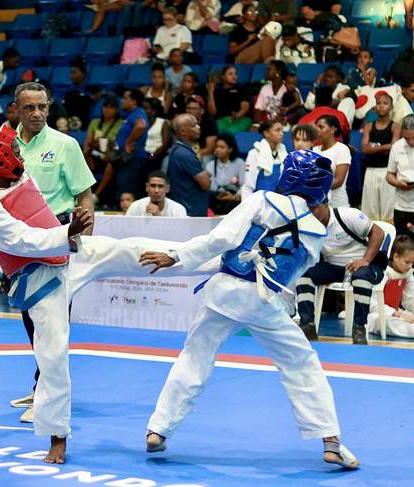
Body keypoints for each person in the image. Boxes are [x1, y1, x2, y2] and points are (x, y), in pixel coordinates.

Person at [140, 150, 360, 470]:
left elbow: (223, 239)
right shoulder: (317, 232)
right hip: (264, 302)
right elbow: (286, 275)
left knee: (195, 358)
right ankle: (330, 441)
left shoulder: (262, 200)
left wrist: (178, 256)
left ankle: (158, 429)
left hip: (223, 294)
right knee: (301, 364)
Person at [0, 124, 93, 464]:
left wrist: (75, 226)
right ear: (0, 161)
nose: (22, 156)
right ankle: (57, 439)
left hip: (69, 254)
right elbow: (25, 240)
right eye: (16, 152)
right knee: (53, 358)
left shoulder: (22, 178)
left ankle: (192, 258)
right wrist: (70, 230)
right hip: (40, 280)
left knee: (131, 251)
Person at [296, 202, 386, 345]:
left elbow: (379, 232)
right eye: (308, 208)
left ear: (325, 205)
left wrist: (365, 260)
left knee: (360, 278)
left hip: (363, 265)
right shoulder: (307, 224)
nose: (310, 212)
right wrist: (320, 272)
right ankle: (307, 325)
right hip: (333, 267)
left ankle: (359, 327)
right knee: (303, 274)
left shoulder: (348, 215)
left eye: (314, 207)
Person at [361, 92, 401, 222]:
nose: (381, 106)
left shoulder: (395, 127)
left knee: (387, 209)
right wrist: (385, 147)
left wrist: (375, 146)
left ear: (391, 107)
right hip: (370, 171)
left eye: (385, 103)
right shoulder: (368, 126)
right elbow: (364, 149)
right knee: (370, 208)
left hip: (388, 171)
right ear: (375, 107)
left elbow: (394, 148)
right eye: (378, 103)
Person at [367, 235, 414, 338]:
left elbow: (409, 301)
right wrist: (395, 313)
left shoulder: (408, 275)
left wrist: (404, 314)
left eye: (412, 263)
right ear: (396, 257)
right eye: (407, 262)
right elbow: (372, 304)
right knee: (386, 322)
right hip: (376, 315)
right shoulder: (382, 273)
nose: (410, 266)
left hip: (397, 314)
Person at [167, 113, 211, 216]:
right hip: (191, 213)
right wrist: (206, 174)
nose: (198, 127)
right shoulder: (185, 154)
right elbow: (206, 185)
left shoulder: (178, 150)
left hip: (187, 210)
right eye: (194, 125)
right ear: (183, 131)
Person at [83, 95, 123, 206]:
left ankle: (96, 195)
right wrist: (87, 155)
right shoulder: (95, 122)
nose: (107, 109)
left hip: (111, 155)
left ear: (116, 110)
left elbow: (117, 144)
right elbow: (88, 142)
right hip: (95, 154)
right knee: (83, 158)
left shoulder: (121, 124)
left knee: (111, 163)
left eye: (111, 107)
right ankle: (82, 194)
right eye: (105, 106)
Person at [114, 89, 149, 200]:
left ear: (134, 101)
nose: (122, 101)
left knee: (127, 191)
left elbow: (141, 126)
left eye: (125, 98)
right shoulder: (132, 114)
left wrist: (129, 142)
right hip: (129, 158)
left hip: (133, 158)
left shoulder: (138, 112)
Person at [241, 120, 287, 200]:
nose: (281, 133)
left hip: (279, 201)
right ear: (266, 133)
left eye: (282, 130)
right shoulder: (254, 153)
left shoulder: (284, 153)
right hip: (260, 202)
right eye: (277, 130)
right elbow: (248, 186)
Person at [313, 115, 351, 208]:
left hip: (338, 205)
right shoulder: (314, 150)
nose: (317, 130)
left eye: (321, 127)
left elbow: (338, 181)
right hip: (318, 206)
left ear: (333, 129)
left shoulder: (342, 149)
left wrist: (313, 189)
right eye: (316, 127)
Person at [386, 114, 414, 237]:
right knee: (403, 243)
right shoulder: (397, 146)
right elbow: (389, 174)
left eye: (413, 137)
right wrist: (398, 183)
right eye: (407, 138)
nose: (411, 142)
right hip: (401, 205)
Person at [206, 133, 245, 214]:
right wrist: (219, 195)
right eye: (216, 147)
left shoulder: (240, 163)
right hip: (217, 196)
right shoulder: (210, 165)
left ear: (230, 149)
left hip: (234, 196)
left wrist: (234, 196)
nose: (218, 149)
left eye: (222, 147)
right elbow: (210, 187)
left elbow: (244, 184)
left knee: (230, 207)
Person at [206, 66, 251, 134]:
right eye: (230, 74)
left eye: (235, 74)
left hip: (241, 119)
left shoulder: (241, 88)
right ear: (223, 77)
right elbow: (212, 112)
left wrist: (237, 115)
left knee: (229, 132)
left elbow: (245, 107)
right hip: (222, 120)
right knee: (213, 132)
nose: (234, 76)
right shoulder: (217, 91)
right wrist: (210, 92)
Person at [253, 60, 288, 125]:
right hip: (268, 123)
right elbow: (258, 111)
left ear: (278, 72)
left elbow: (296, 111)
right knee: (252, 129)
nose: (266, 72)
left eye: (269, 69)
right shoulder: (265, 88)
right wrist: (262, 124)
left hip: (283, 123)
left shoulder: (288, 88)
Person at [186, 94, 218, 163]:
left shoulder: (209, 123)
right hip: (186, 153)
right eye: (188, 108)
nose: (190, 111)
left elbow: (210, 148)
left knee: (206, 159)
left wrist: (193, 155)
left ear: (202, 111)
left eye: (194, 109)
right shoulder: (183, 122)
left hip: (204, 154)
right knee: (167, 159)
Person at [63, 59, 93, 131]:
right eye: (71, 73)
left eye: (74, 73)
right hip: (71, 121)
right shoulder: (68, 91)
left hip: (85, 122)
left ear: (83, 74)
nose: (71, 75)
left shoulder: (91, 88)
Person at [142, 98, 171, 172]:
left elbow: (165, 144)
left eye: (145, 108)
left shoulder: (162, 123)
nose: (142, 111)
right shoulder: (140, 123)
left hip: (156, 155)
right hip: (142, 154)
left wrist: (152, 155)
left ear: (153, 111)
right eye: (141, 108)